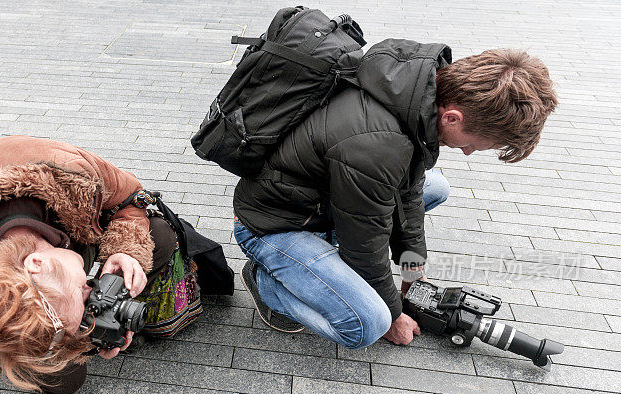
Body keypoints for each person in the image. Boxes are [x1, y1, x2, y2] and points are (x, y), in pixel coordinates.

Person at [233, 43, 558, 349]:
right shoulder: (378, 144)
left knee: (436, 186)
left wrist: (413, 274)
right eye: (472, 143)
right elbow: (364, 244)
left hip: (322, 202)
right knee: (366, 324)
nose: (469, 152)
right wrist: (392, 313)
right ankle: (268, 282)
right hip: (273, 223)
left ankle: (317, 263)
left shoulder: (416, 94)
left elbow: (409, 196)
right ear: (453, 117)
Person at [0, 135, 178, 394]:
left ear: (36, 263)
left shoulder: (71, 172)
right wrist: (87, 337)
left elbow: (132, 196)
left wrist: (125, 251)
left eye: (85, 289)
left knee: (160, 237)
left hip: (67, 233)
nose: (93, 285)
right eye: (88, 289)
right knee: (65, 380)